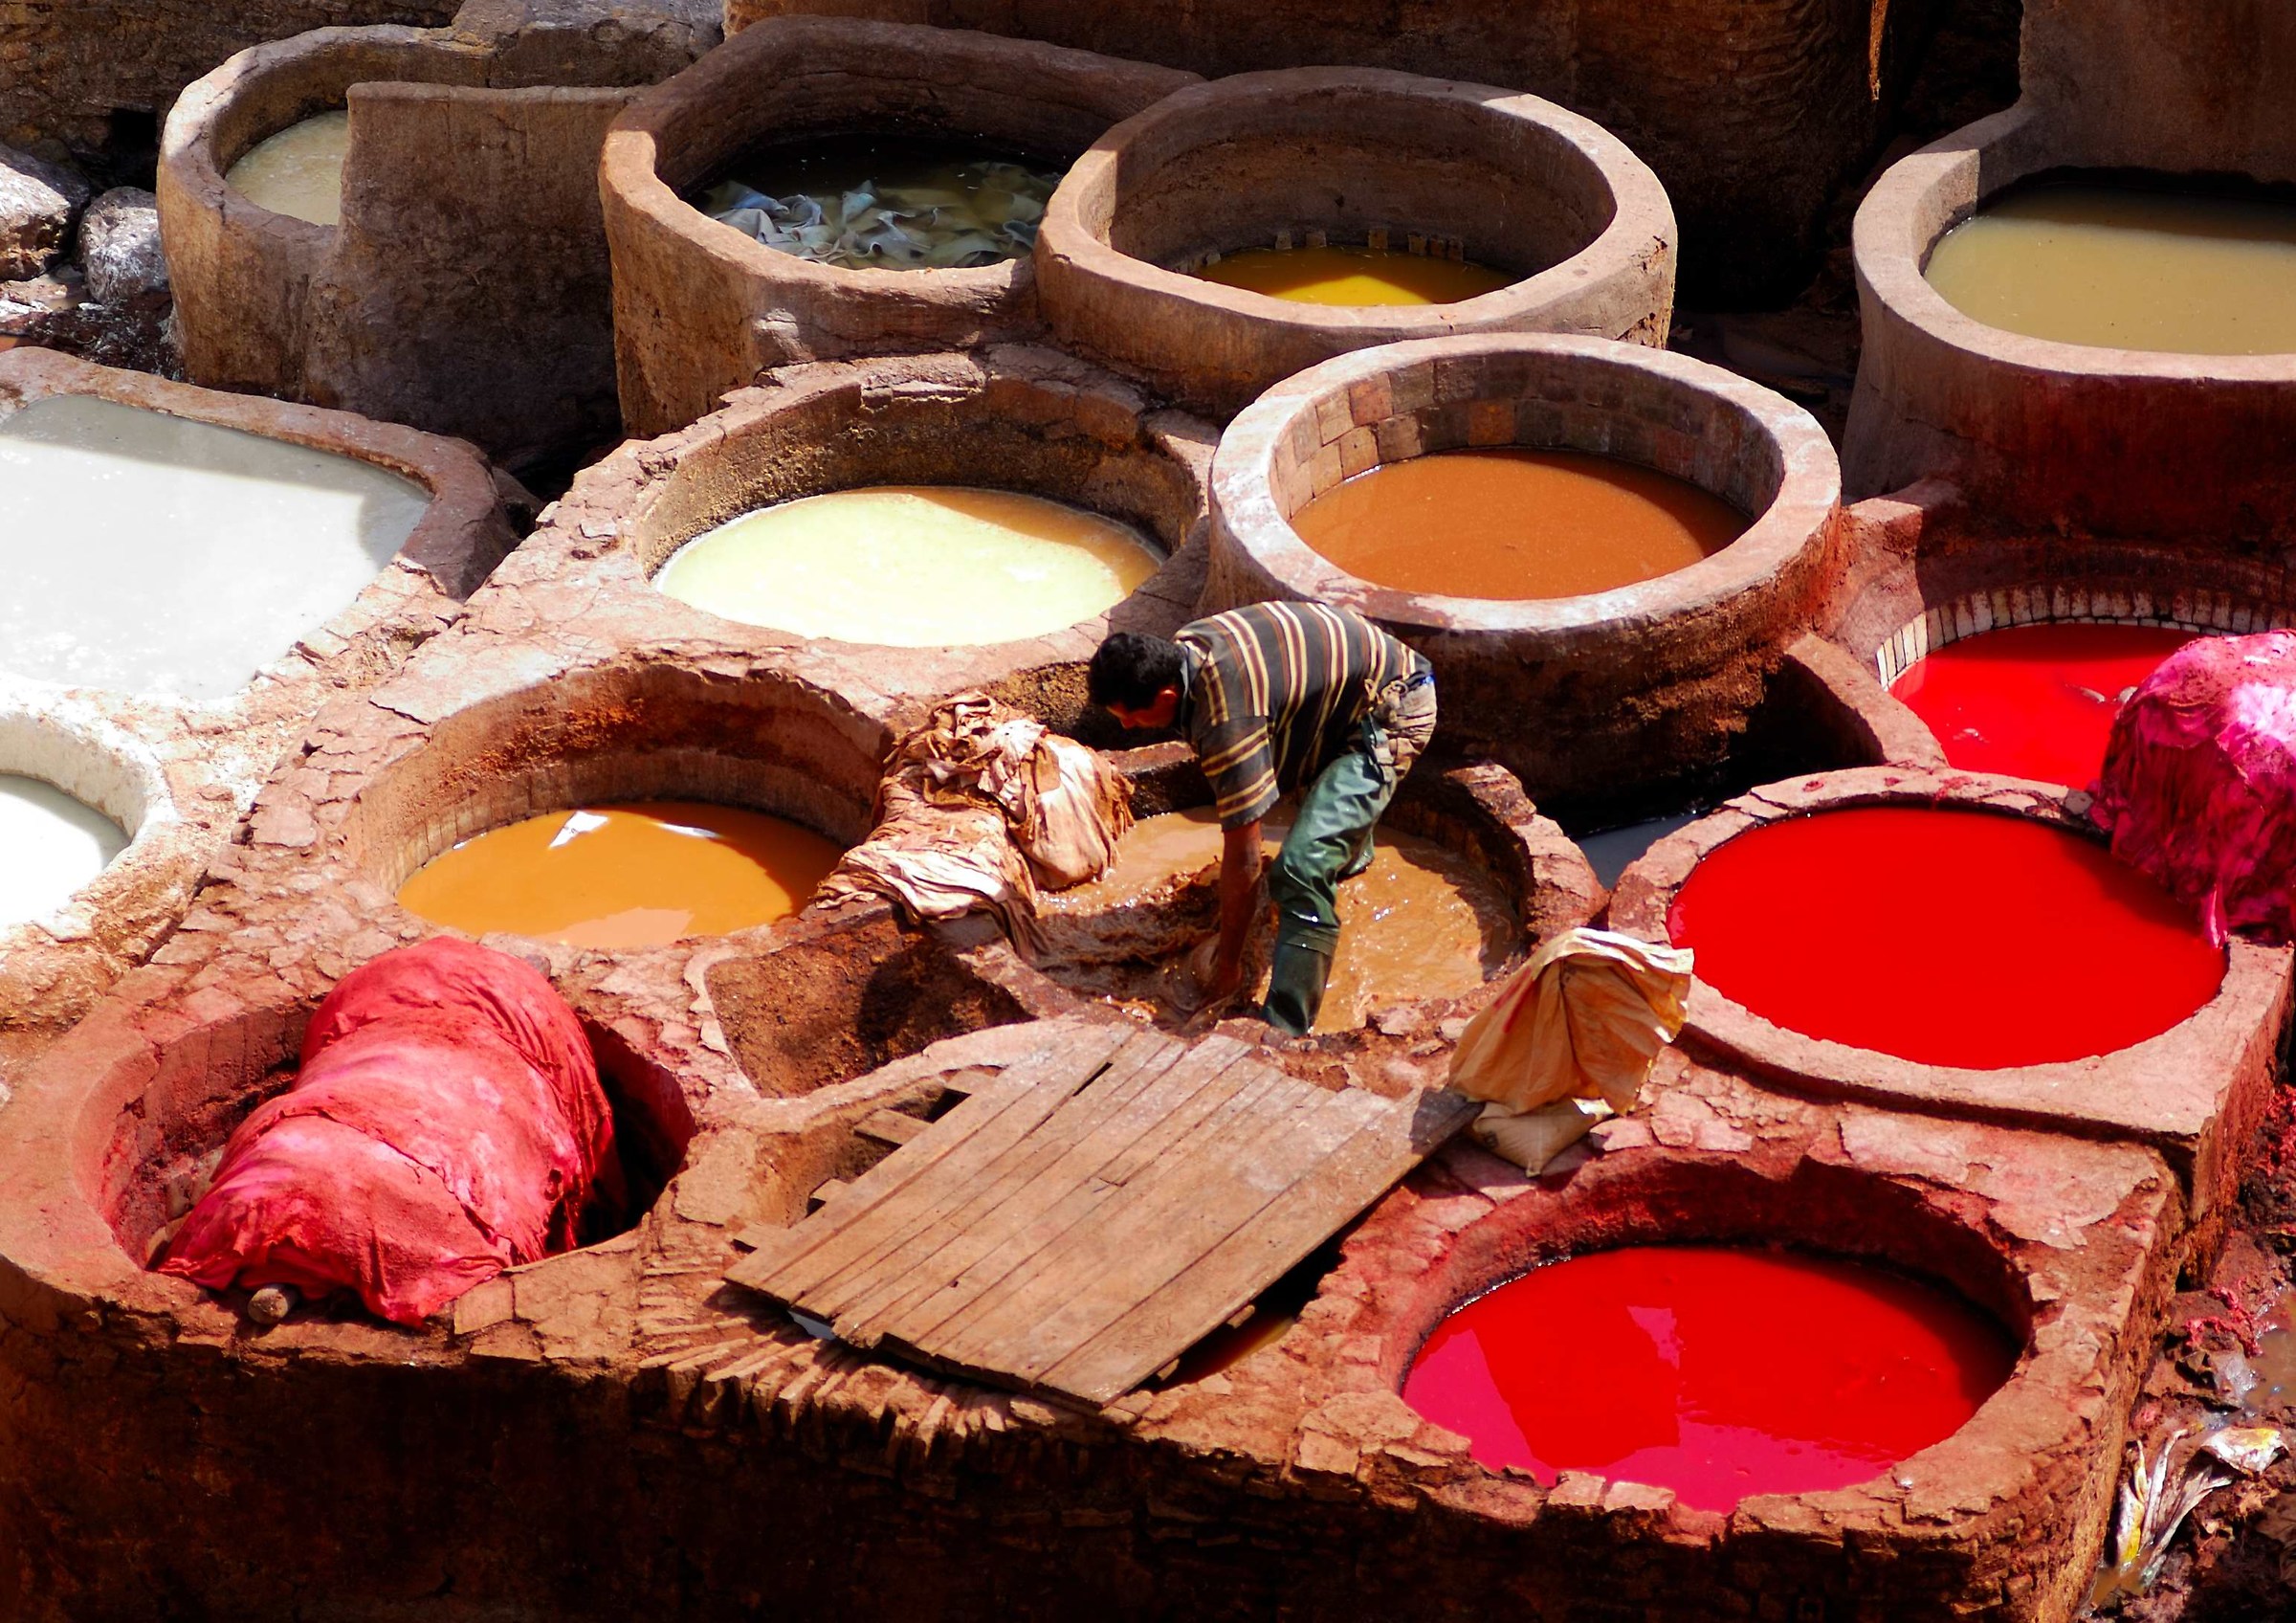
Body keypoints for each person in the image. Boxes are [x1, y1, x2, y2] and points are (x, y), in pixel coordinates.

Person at [1088, 601, 1438, 1035]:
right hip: (1341, 694)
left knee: (1299, 869)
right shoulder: (1186, 649)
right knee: (1313, 825)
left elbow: (1245, 857)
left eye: (1131, 716)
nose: (1127, 728)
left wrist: (1228, 967)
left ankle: (1286, 1026)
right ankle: (1343, 848)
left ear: (1166, 697)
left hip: (1393, 707)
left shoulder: (1227, 717)